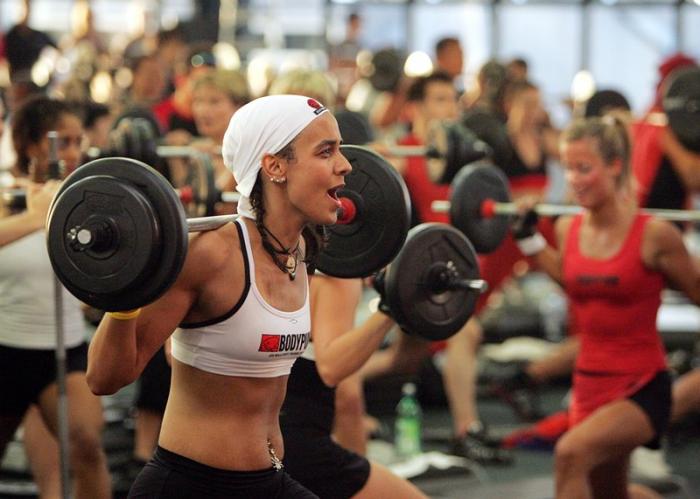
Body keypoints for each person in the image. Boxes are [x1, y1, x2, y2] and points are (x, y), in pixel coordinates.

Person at [86, 94, 351, 498]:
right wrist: (130, 285)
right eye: (326, 151)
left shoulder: (301, 251)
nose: (345, 165)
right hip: (190, 487)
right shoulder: (211, 255)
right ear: (274, 166)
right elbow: (104, 378)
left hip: (268, 480)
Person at [514, 115, 700, 498]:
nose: (574, 179)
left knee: (570, 454)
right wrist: (530, 242)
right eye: (568, 168)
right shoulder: (570, 229)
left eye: (584, 168)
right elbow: (574, 282)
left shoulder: (655, 236)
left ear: (615, 166)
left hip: (641, 386)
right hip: (588, 383)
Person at [356, 72, 511, 464]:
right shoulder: (406, 153)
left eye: (452, 100)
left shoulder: (461, 159)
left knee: (404, 360)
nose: (450, 108)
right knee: (465, 332)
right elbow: (376, 190)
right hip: (404, 273)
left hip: (440, 274)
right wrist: (376, 161)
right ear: (418, 108)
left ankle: (331, 378)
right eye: (440, 99)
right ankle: (466, 430)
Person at [0, 96, 111, 499]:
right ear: (32, 144)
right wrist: (35, 215)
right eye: (62, 141)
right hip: (5, 348)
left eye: (77, 141)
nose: (73, 152)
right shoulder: (6, 192)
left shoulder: (83, 197)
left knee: (87, 445)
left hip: (61, 350)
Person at [281, 274, 427, 498]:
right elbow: (346, 395)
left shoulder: (267, 264)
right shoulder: (339, 276)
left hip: (245, 445)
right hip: (300, 447)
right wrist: (356, 474)